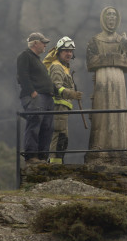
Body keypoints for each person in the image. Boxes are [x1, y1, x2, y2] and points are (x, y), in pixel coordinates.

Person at [84, 6, 127, 166]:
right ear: (103, 18)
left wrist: (113, 57)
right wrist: (114, 58)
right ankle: (99, 150)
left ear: (118, 19)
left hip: (118, 82)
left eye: (114, 15)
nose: (112, 18)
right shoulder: (94, 40)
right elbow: (90, 61)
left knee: (118, 113)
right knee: (101, 114)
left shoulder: (122, 40)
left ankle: (120, 149)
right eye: (109, 15)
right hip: (102, 80)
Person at [43, 36, 83, 164]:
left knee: (63, 137)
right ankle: (54, 166)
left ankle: (58, 163)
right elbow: (56, 86)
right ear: (59, 52)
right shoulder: (56, 67)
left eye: (71, 51)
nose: (69, 53)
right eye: (66, 50)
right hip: (58, 107)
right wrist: (71, 94)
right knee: (59, 135)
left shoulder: (64, 67)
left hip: (64, 108)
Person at [17, 32, 55, 164]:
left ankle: (42, 157)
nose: (45, 45)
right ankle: (31, 156)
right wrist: (32, 92)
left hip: (47, 99)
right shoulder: (25, 56)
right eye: (43, 42)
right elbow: (22, 75)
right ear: (35, 43)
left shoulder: (38, 60)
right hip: (36, 97)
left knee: (47, 127)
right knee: (35, 123)